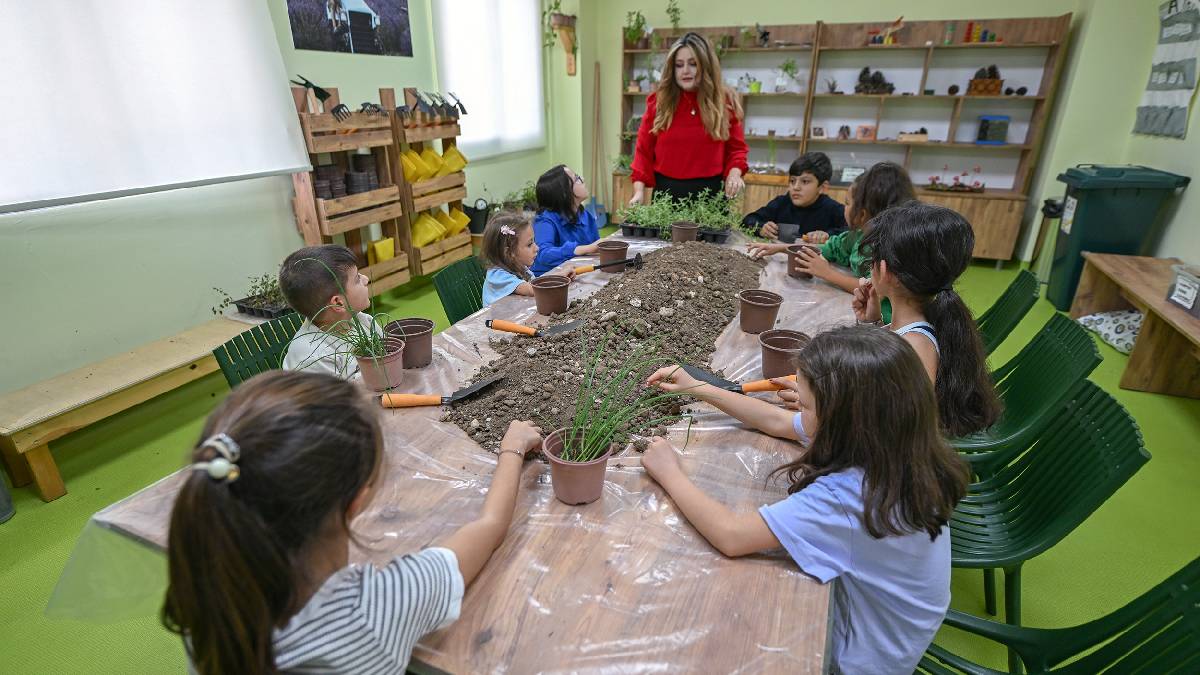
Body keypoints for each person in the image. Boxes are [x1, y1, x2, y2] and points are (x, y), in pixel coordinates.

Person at [161, 370, 545, 674]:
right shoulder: (374, 609)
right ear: (356, 502)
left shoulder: (208, 588)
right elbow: (490, 527)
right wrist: (512, 447)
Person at [642, 327, 969, 674]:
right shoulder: (897, 444)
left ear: (841, 419)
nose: (800, 408)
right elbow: (777, 420)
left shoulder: (849, 496)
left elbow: (731, 535)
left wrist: (670, 473)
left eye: (807, 404)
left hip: (859, 660)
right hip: (893, 632)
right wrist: (699, 388)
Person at [852, 201, 1002, 437]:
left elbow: (889, 428)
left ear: (885, 270)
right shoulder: (916, 325)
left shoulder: (915, 348)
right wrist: (873, 322)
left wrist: (822, 406)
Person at [629, 32, 748, 204]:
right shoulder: (659, 103)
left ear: (706, 66)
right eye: (679, 65)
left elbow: (737, 150)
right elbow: (643, 151)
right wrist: (638, 192)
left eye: (693, 64)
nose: (685, 71)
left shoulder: (724, 103)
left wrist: (734, 174)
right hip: (666, 197)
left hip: (709, 198)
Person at [784, 162, 916, 296]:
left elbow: (877, 290)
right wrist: (783, 248)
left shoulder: (891, 251)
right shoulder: (858, 235)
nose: (843, 207)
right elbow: (832, 247)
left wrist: (827, 273)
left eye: (847, 203)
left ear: (862, 214)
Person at [279, 244, 382, 380]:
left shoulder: (363, 321)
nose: (366, 279)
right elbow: (335, 400)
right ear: (338, 303)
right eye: (357, 279)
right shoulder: (312, 357)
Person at [741, 152, 847, 246]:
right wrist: (761, 228)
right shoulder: (781, 202)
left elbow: (853, 232)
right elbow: (748, 220)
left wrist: (828, 235)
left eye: (805, 181)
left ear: (823, 187)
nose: (795, 187)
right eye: (792, 181)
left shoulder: (833, 208)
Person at [530, 165, 600, 276]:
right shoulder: (545, 220)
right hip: (551, 281)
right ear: (564, 193)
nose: (583, 179)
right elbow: (542, 254)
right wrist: (585, 249)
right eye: (577, 178)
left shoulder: (585, 215)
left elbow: (596, 249)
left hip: (580, 274)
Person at [481, 211, 539, 306]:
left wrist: (560, 275)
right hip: (497, 320)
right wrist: (557, 279)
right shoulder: (497, 276)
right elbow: (533, 290)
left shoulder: (520, 267)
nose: (537, 248)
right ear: (509, 252)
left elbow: (536, 284)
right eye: (529, 244)